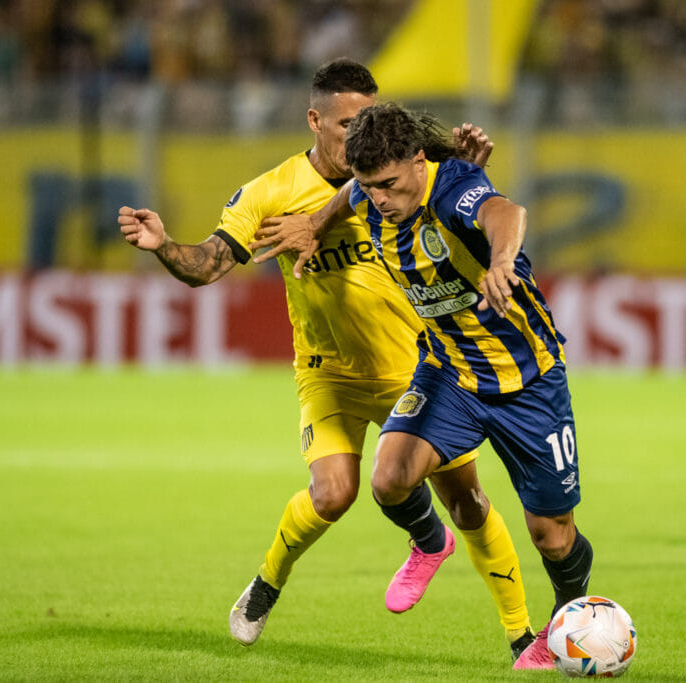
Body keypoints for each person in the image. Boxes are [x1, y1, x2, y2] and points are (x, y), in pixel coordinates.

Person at [117, 59, 541, 664]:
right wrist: (164, 247)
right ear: (314, 120)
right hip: (329, 372)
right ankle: (268, 583)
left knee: (468, 501)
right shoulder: (270, 193)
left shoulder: (395, 171)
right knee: (332, 495)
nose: (357, 135)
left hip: (418, 365)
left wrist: (470, 170)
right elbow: (209, 262)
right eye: (345, 124)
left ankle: (523, 639)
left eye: (367, 119)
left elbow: (461, 205)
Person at [252, 102, 594, 670]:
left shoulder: (452, 185)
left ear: (417, 161)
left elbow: (506, 212)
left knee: (553, 537)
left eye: (388, 184)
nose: (380, 199)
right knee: (388, 480)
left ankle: (568, 617)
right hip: (449, 373)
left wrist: (502, 261)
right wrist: (314, 224)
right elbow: (348, 198)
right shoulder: (370, 192)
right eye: (369, 187)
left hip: (527, 379)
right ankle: (431, 541)